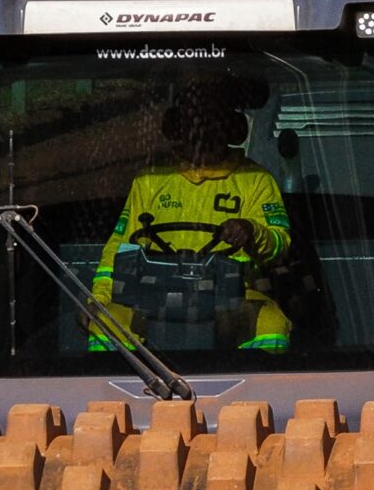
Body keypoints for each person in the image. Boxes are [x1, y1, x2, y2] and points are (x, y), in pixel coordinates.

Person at [91, 75, 293, 351]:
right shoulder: (149, 180)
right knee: (106, 324)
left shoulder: (256, 179)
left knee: (270, 324)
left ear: (231, 128)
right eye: (194, 122)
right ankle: (112, 394)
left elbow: (280, 245)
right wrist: (99, 299)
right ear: (175, 127)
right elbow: (119, 247)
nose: (203, 132)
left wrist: (251, 231)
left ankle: (258, 393)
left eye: (212, 122)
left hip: (232, 297)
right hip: (153, 295)